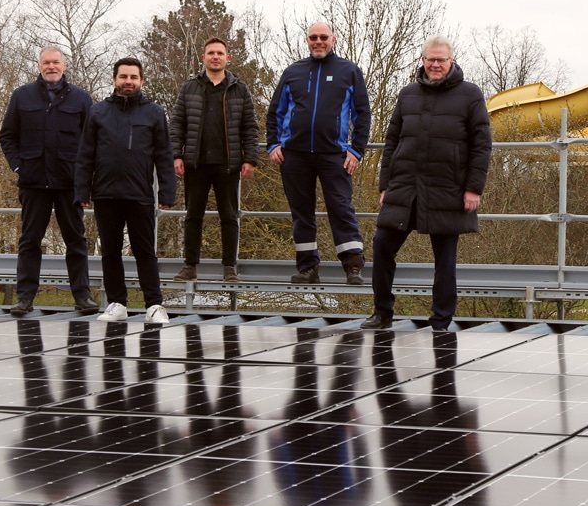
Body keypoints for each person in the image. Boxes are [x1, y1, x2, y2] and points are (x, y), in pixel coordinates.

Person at [361, 36, 491, 332]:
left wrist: (474, 188)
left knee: (445, 258)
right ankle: (382, 313)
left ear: (451, 62)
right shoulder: (408, 94)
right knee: (382, 246)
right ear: (422, 60)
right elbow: (392, 141)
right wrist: (385, 185)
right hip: (405, 187)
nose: (435, 64)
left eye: (441, 60)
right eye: (430, 59)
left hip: (449, 188)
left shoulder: (471, 95)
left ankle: (440, 321)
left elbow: (482, 145)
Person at [266, 21, 371, 285]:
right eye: (313, 37)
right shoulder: (293, 72)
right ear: (307, 40)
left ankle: (353, 265)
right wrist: (273, 144)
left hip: (334, 154)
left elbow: (362, 114)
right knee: (302, 211)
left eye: (323, 37)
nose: (318, 41)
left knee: (340, 207)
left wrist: (356, 151)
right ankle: (307, 267)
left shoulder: (349, 71)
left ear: (333, 40)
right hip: (295, 155)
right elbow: (275, 112)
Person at [74, 57, 176, 324]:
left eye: (133, 77)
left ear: (141, 81)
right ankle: (117, 303)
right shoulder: (98, 112)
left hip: (140, 194)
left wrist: (166, 192)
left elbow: (164, 155)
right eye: (123, 77)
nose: (128, 81)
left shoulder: (154, 113)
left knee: (145, 251)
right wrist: (82, 192)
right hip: (105, 194)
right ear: (114, 79)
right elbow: (85, 155)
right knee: (110, 252)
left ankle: (154, 305)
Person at [0, 46, 98, 317]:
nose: (51, 66)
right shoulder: (22, 96)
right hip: (33, 182)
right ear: (39, 66)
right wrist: (19, 165)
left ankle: (82, 296)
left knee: (76, 240)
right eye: (46, 62)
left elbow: (92, 142)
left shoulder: (81, 99)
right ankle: (25, 298)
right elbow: (7, 136)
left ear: (64, 66)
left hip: (69, 183)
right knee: (30, 240)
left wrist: (85, 179)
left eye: (55, 62)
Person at [169, 37, 260, 283]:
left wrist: (250, 158)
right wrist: (176, 155)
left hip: (228, 164)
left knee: (229, 217)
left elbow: (250, 127)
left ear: (227, 58)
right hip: (195, 163)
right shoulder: (190, 88)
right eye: (211, 53)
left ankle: (229, 268)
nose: (215, 56)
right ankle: (190, 266)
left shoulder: (239, 89)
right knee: (192, 216)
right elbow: (177, 124)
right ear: (204, 57)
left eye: (220, 53)